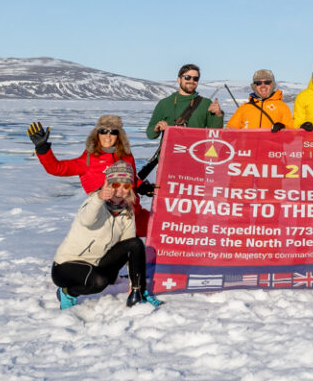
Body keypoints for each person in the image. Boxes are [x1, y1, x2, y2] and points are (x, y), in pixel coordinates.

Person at [50, 160, 160, 309]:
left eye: (126, 186)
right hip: (67, 266)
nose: (121, 190)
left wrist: (135, 281)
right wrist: (99, 197)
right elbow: (87, 220)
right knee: (100, 282)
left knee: (134, 244)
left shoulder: (127, 212)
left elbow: (129, 246)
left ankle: (138, 292)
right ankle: (67, 292)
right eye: (116, 185)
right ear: (108, 184)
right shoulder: (94, 202)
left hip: (96, 264)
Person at [148, 64, 226, 138]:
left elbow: (215, 134)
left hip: (194, 150)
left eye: (195, 78)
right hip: (169, 150)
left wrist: (218, 115)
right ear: (179, 80)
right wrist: (156, 128)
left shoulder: (206, 103)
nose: (191, 81)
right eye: (187, 77)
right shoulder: (165, 103)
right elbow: (150, 134)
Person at [227, 70, 292, 130]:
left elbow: (292, 133)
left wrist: (283, 128)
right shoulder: (243, 108)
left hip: (273, 142)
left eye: (267, 82)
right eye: (258, 83)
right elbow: (230, 130)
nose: (263, 85)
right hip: (248, 142)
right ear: (254, 86)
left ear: (272, 85)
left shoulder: (282, 107)